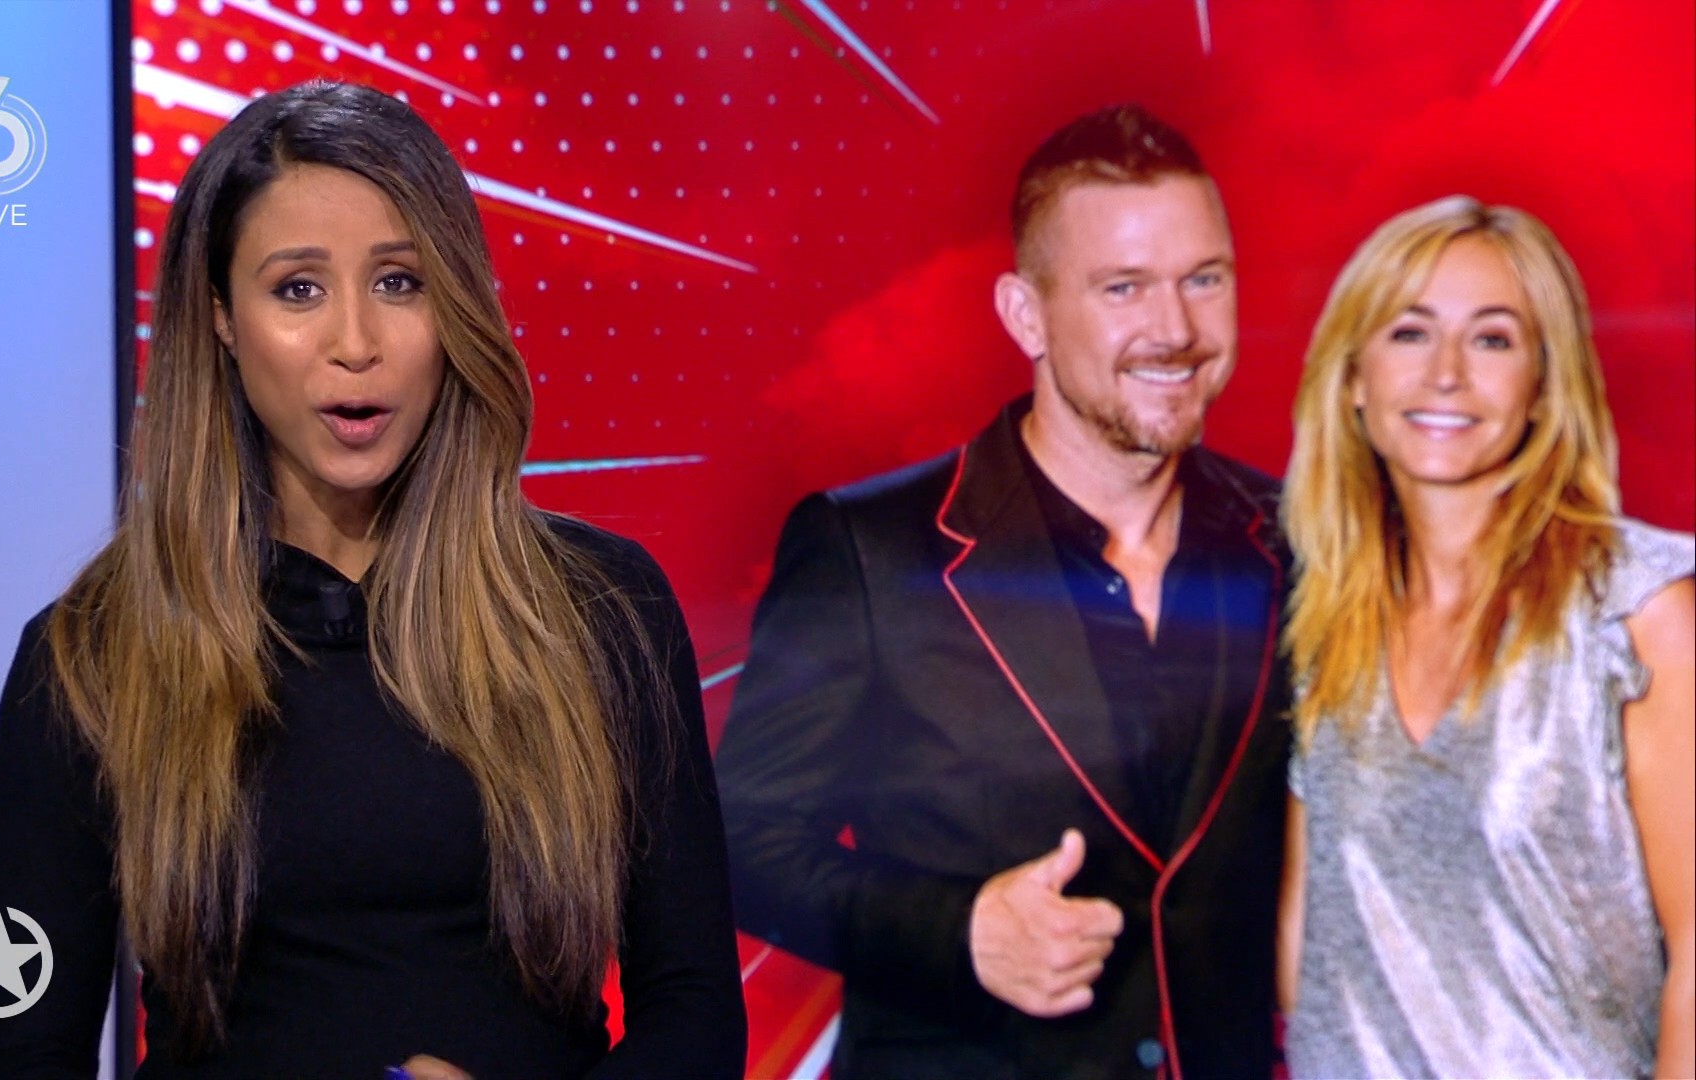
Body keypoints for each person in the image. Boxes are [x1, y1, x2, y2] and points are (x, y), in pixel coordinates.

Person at [0, 81, 745, 1078]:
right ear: (220, 316)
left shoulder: (603, 612)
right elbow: (21, 1054)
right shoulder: (87, 656)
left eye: (399, 282)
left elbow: (696, 1017)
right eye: (298, 289)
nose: (355, 344)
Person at [715, 104, 1291, 1079]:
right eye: (1124, 287)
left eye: (1205, 278)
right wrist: (959, 931)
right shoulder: (866, 551)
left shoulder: (1301, 540)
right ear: (1026, 314)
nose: (1178, 329)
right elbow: (734, 841)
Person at [1277, 196, 1694, 1078]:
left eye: (1493, 340)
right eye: (1410, 333)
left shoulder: (1637, 611)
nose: (1446, 374)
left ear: (1543, 387)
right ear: (1353, 379)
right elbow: (1305, 947)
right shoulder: (1319, 624)